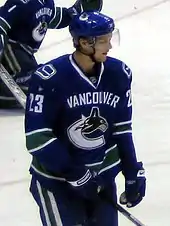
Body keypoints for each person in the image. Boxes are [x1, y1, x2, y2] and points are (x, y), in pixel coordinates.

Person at [25, 11, 146, 226]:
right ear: (84, 43)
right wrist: (74, 172)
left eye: (111, 39)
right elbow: (38, 138)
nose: (109, 47)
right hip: (57, 182)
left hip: (101, 179)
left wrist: (132, 170)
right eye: (103, 41)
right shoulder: (50, 78)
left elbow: (122, 130)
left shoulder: (119, 74)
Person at [0, 0, 103, 108]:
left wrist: (74, 12)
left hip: (26, 55)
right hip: (10, 51)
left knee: (42, 81)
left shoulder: (47, 2)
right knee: (31, 87)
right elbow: (2, 21)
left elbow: (52, 17)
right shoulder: (21, 2)